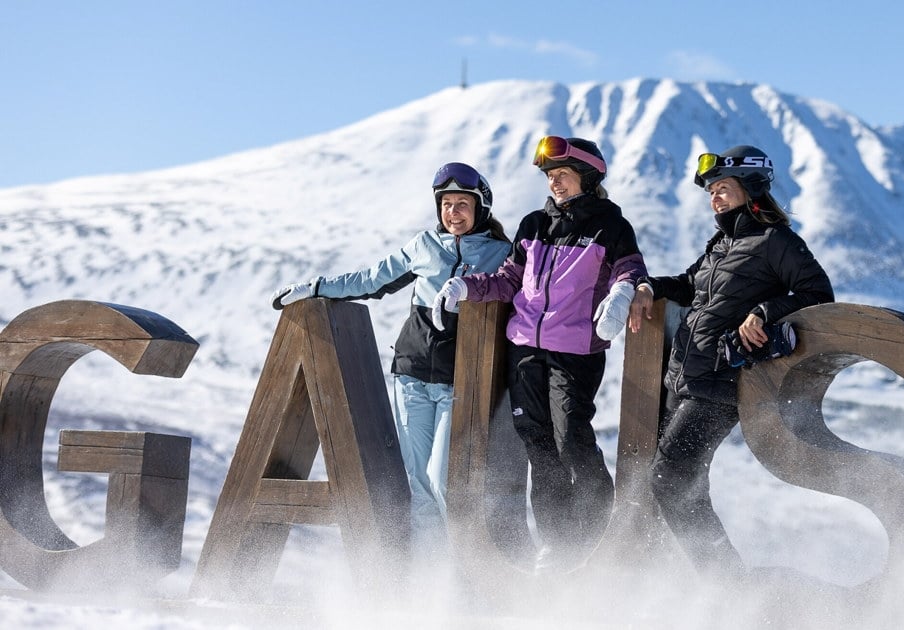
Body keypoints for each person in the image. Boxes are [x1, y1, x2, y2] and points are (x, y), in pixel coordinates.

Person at [270, 162, 511, 560]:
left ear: (481, 207)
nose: (453, 212)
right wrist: (315, 287)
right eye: (446, 204)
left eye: (462, 204)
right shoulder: (424, 246)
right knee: (418, 484)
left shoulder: (502, 255)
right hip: (412, 374)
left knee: (444, 481)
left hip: (461, 381)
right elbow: (371, 280)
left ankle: (467, 575)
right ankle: (428, 584)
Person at [432, 136, 647, 573]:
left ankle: (598, 533)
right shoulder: (533, 224)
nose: (555, 183)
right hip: (525, 350)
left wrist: (624, 290)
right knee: (537, 443)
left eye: (562, 175)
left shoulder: (611, 226)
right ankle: (557, 542)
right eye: (550, 176)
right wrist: (465, 287)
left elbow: (631, 268)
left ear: (587, 177)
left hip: (575, 351)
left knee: (571, 438)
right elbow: (508, 280)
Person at [627, 145, 834, 578]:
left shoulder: (776, 241)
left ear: (751, 188)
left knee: (670, 477)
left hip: (721, 384)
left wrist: (765, 312)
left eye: (723, 188)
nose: (714, 197)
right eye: (711, 191)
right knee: (682, 482)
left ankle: (726, 583)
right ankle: (693, 579)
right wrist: (646, 287)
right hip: (682, 378)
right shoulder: (723, 243)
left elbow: (818, 293)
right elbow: (689, 285)